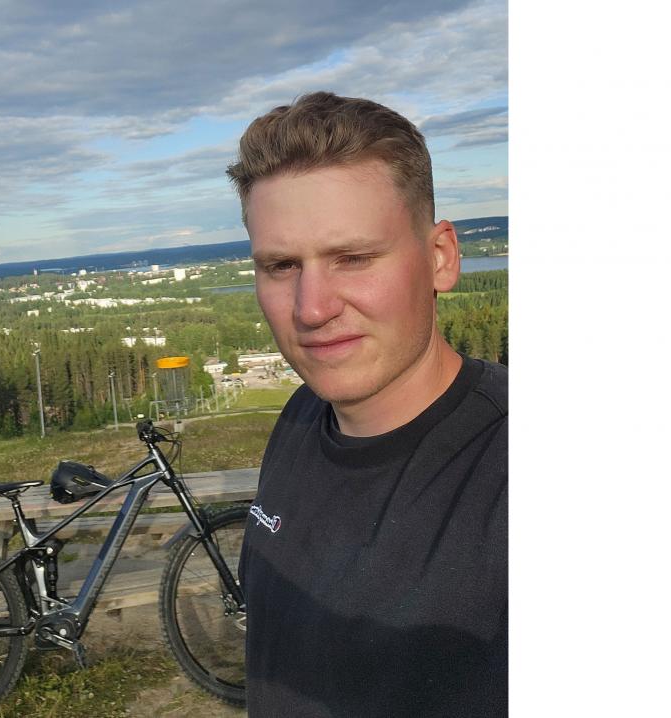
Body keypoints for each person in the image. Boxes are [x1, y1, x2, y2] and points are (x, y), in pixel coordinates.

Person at [227, 92, 507, 717]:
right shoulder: (301, 417)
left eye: (353, 258)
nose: (312, 308)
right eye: (281, 265)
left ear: (440, 258)